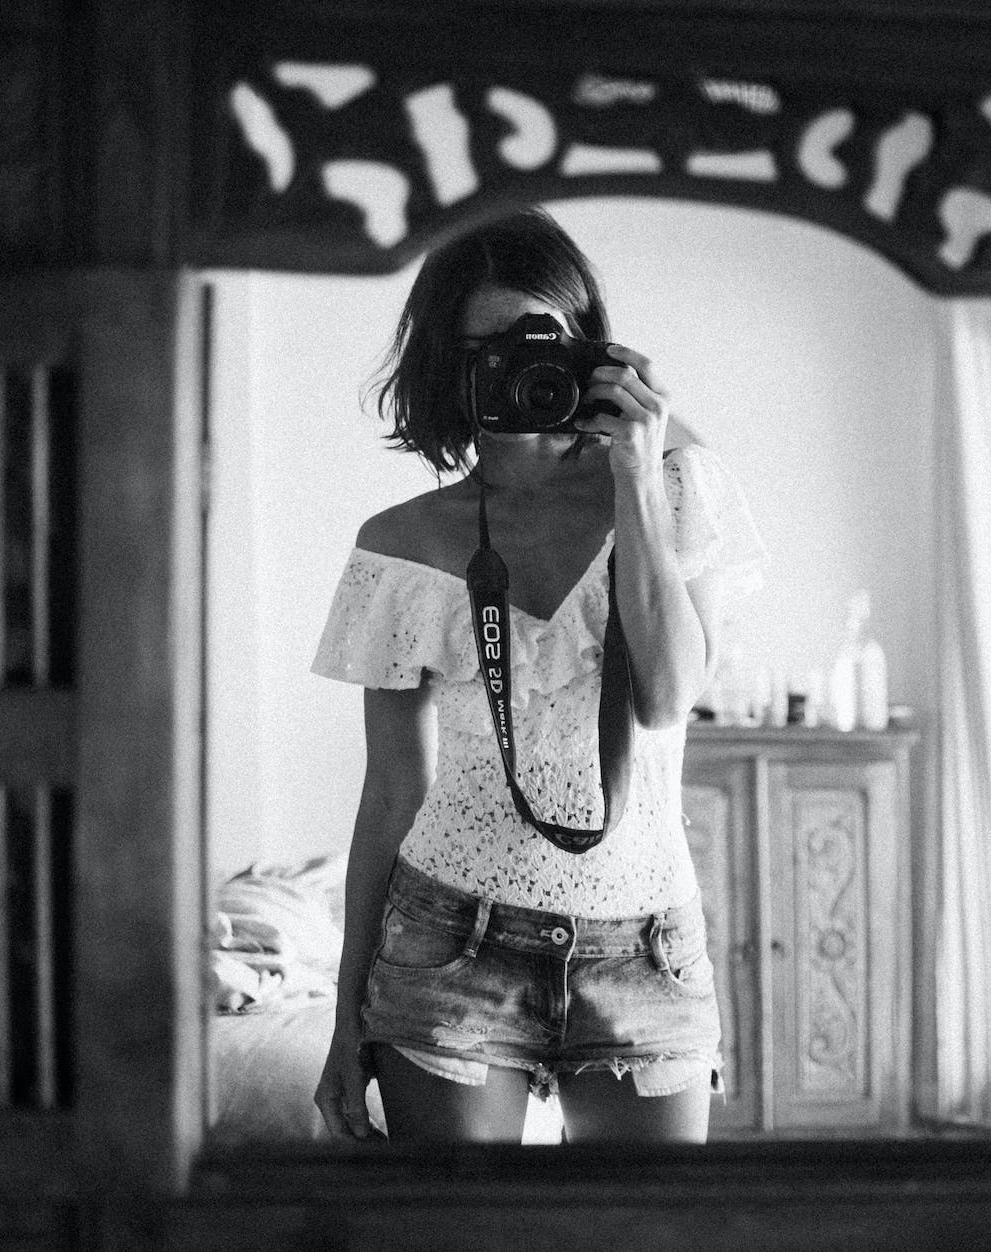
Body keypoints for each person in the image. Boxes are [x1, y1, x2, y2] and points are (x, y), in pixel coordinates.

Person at [309, 209, 763, 1145]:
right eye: (485, 353)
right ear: (445, 366)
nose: (515, 371)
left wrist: (637, 477)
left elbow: (668, 696)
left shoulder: (675, 482)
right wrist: (345, 1016)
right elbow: (391, 790)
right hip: (448, 944)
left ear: (590, 348)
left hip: (648, 951)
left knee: (649, 1225)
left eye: (538, 343)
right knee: (461, 1226)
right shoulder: (402, 545)